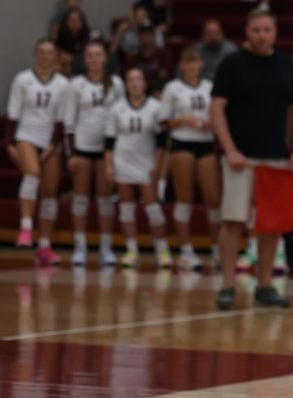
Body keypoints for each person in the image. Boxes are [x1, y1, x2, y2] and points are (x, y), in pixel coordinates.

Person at [210, 10, 293, 311]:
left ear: (275, 32)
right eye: (256, 30)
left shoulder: (287, 65)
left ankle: (264, 285)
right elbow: (216, 109)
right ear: (247, 32)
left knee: (271, 225)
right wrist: (229, 149)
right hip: (241, 158)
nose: (262, 35)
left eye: (267, 29)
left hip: (276, 156)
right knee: (233, 220)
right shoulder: (232, 64)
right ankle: (227, 284)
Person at [5, 40, 70, 261]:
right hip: (27, 135)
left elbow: (62, 121)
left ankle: (44, 246)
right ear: (35, 55)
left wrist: (51, 147)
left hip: (51, 140)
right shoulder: (22, 79)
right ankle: (25, 228)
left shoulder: (63, 84)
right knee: (32, 174)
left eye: (49, 52)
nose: (45, 56)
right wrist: (9, 145)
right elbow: (13, 115)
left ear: (56, 56)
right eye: (41, 52)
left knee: (50, 193)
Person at [64, 41, 124, 266]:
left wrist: (117, 152)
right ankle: (80, 247)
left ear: (105, 58)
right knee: (80, 198)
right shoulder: (76, 84)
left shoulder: (116, 84)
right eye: (90, 55)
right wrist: (71, 154)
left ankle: (105, 247)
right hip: (82, 147)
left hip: (106, 149)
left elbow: (121, 116)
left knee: (105, 199)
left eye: (98, 55)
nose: (94, 59)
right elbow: (69, 122)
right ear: (85, 59)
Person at [104, 67, 171, 269]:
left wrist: (157, 165)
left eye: (138, 79)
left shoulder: (155, 107)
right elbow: (109, 141)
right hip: (122, 160)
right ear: (126, 84)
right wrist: (109, 165)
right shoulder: (117, 108)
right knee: (126, 207)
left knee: (153, 207)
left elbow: (162, 142)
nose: (135, 83)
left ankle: (162, 249)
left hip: (146, 162)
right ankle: (131, 249)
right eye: (131, 79)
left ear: (145, 83)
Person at [161, 48, 221, 271]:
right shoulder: (172, 88)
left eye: (195, 62)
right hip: (182, 143)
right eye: (187, 62)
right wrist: (184, 119)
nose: (192, 66)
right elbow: (165, 121)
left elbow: (219, 115)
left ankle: (217, 249)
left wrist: (210, 123)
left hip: (205, 143)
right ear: (181, 65)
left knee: (213, 199)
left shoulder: (209, 87)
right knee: (184, 197)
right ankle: (186, 250)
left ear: (201, 64)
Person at [119, 22, 175, 96]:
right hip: (139, 95)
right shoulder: (132, 60)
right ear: (139, 37)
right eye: (143, 35)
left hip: (163, 94)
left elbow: (171, 79)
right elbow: (127, 80)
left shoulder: (165, 55)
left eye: (149, 34)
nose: (146, 37)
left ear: (154, 35)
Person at [53, 7, 92, 76]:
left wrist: (72, 58)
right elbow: (57, 50)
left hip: (83, 63)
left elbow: (89, 53)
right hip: (65, 64)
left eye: (78, 20)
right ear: (66, 22)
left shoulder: (87, 34)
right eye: (72, 20)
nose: (75, 23)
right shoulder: (61, 34)